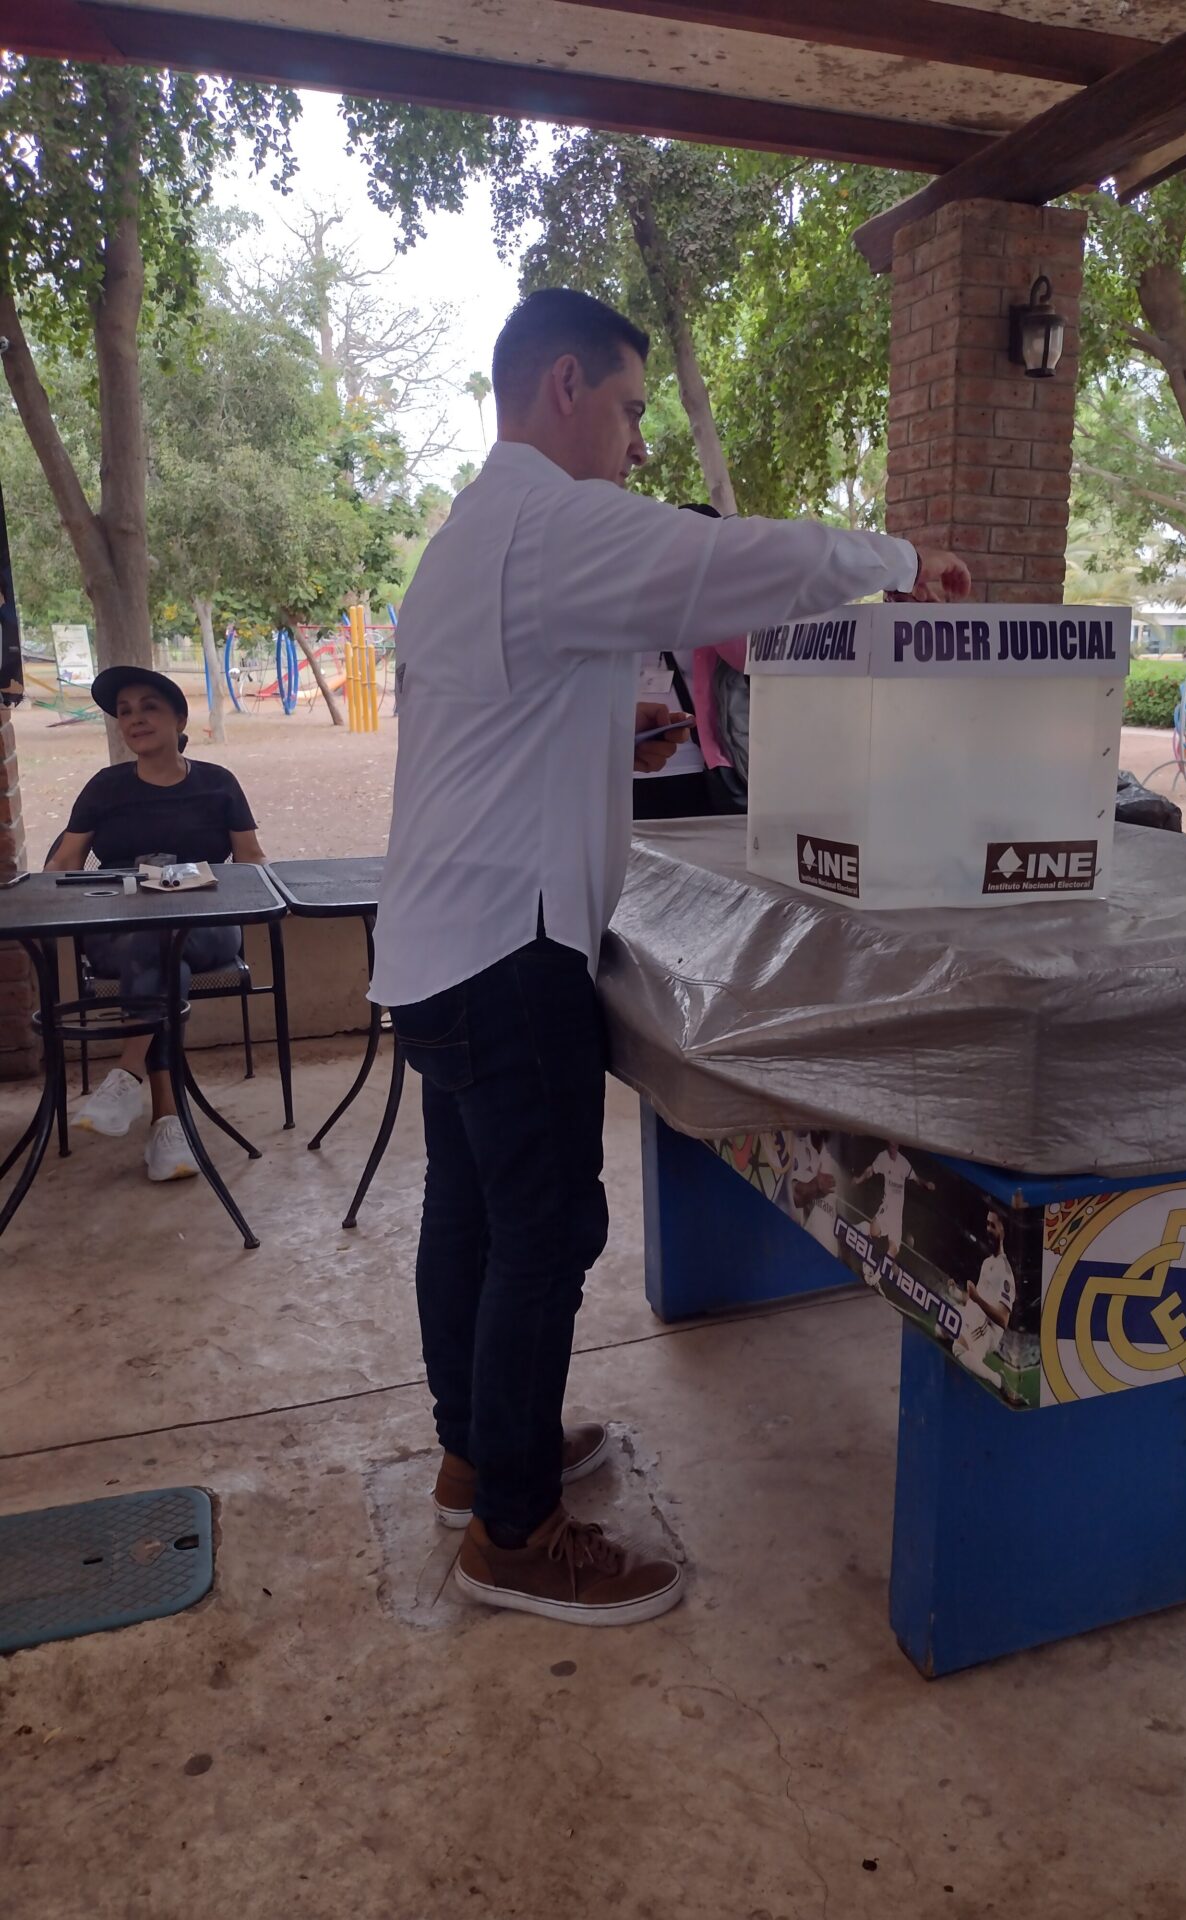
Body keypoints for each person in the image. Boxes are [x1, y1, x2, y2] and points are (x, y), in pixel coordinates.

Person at [371, 285, 971, 1628]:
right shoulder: (548, 521)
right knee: (545, 1232)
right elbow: (726, 563)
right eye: (632, 408)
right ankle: (516, 1534)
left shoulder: (470, 536)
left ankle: (479, 1457)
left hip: (437, 941)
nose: (640, 440)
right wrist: (894, 555)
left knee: (471, 1215)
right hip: (508, 948)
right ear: (565, 385)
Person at [45, 667, 267, 1181]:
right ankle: (167, 1122)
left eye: (149, 707)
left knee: (164, 937)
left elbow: (252, 859)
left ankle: (128, 1074)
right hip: (121, 931)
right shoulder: (105, 788)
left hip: (206, 927)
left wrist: (235, 887)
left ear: (179, 720)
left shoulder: (218, 784)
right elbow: (64, 864)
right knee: (159, 950)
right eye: (125, 711)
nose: (135, 719)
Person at [632, 501, 748, 820]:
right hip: (638, 761)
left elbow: (744, 658)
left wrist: (710, 596)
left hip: (701, 763)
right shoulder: (637, 597)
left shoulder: (724, 601)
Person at [953, 1208, 1017, 1381]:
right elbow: (975, 1299)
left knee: (958, 1348)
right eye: (987, 1224)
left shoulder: (1005, 1273)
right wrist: (957, 1293)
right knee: (942, 1326)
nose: (988, 1229)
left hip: (987, 1328)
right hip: (975, 1315)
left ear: (1003, 1230)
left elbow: (1003, 1320)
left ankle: (998, 1380)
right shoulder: (987, 1262)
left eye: (993, 1226)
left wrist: (977, 1299)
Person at [861, 1141, 936, 1281]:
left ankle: (875, 1278)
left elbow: (916, 1179)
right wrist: (860, 1178)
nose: (893, 1148)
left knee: (894, 1249)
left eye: (895, 1145)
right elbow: (871, 1170)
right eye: (890, 1145)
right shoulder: (882, 1157)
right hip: (886, 1207)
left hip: (897, 1217)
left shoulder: (904, 1163)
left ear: (898, 1146)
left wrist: (926, 1184)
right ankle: (867, 1262)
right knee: (872, 1230)